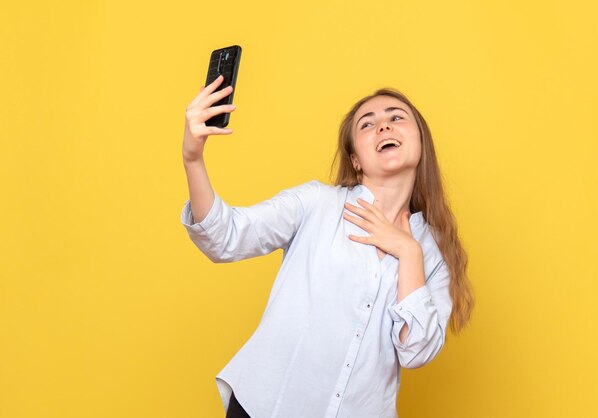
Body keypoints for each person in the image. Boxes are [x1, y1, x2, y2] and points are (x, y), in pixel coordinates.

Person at [180, 74, 475, 418]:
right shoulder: (318, 204)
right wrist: (192, 159)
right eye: (368, 124)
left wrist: (408, 252)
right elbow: (225, 238)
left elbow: (416, 351)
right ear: (356, 161)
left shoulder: (433, 252)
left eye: (396, 117)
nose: (383, 127)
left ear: (421, 143)